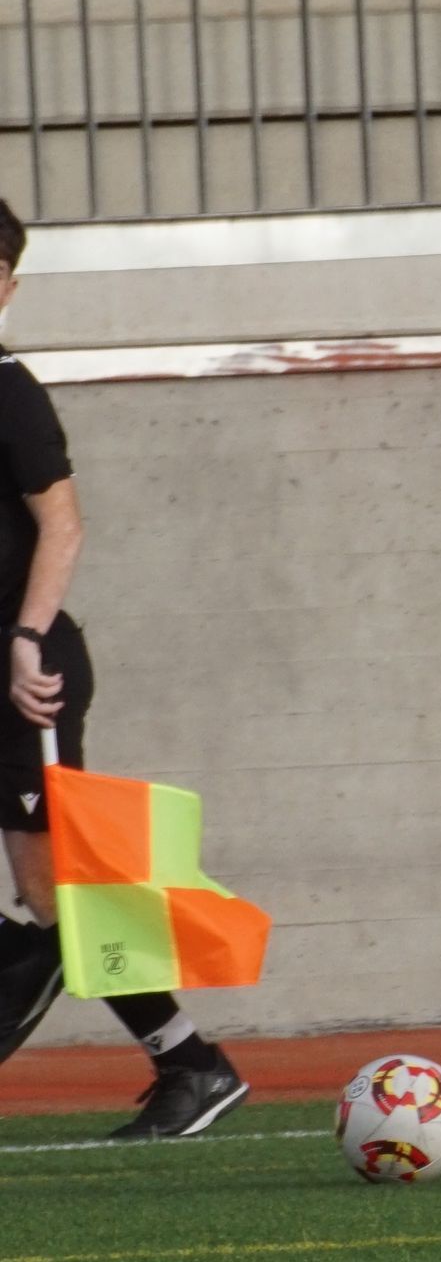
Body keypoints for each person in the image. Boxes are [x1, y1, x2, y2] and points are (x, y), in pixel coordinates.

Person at [0, 198, 249, 1139]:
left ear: (9, 289)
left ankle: (191, 1063)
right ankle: (188, 1060)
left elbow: (62, 523)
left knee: (61, 893)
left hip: (27, 672)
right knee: (52, 896)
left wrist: (24, 641)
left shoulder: (9, 390)